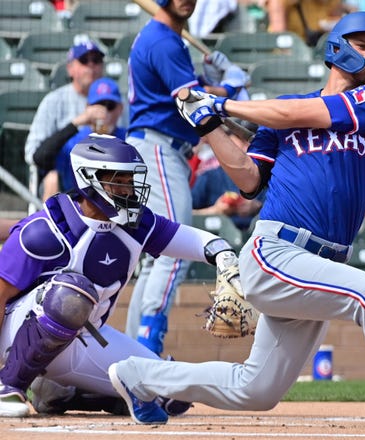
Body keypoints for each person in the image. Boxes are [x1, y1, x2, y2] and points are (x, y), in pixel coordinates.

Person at [106, 12, 365, 432]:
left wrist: (223, 104)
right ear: (336, 47)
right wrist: (208, 126)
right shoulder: (281, 117)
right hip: (275, 251)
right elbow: (248, 178)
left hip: (321, 265)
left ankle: (139, 377)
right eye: (363, 45)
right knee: (364, 292)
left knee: (256, 389)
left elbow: (296, 112)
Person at [0, 135, 242, 418]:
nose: (128, 190)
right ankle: (9, 386)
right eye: (119, 180)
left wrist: (223, 254)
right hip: (16, 335)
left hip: (87, 336)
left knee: (167, 393)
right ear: (88, 179)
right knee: (71, 295)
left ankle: (60, 392)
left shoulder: (136, 223)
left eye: (130, 181)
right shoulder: (42, 230)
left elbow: (184, 237)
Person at [125, 0, 250, 356]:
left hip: (159, 148)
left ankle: (135, 353)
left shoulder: (167, 40)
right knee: (175, 251)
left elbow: (186, 89)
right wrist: (230, 88)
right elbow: (188, 98)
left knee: (157, 256)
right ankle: (149, 344)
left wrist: (214, 79)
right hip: (159, 148)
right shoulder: (163, 40)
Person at [24, 41, 105, 200]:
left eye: (96, 60)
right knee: (51, 178)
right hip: (64, 176)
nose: (91, 66)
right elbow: (33, 153)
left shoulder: (113, 102)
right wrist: (77, 122)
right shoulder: (54, 101)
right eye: (84, 61)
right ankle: (54, 224)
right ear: (70, 69)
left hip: (103, 175)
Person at [32, 77, 126, 194]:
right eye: (99, 105)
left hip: (119, 204)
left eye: (110, 106)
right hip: (78, 204)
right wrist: (77, 121)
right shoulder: (75, 140)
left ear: (120, 109)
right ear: (87, 107)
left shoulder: (128, 138)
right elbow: (40, 158)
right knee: (51, 178)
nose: (104, 112)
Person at [266, 0, 346, 46]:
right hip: (290, 52)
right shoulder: (282, 2)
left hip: (319, 50)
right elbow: (280, 36)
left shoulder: (330, 2)